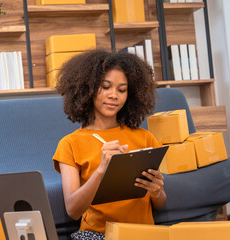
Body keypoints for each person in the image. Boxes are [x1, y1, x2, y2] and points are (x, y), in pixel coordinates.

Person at [52, 49, 166, 240]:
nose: (114, 95)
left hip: (143, 235)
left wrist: (157, 191)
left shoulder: (146, 138)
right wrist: (102, 170)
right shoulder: (69, 144)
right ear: (86, 89)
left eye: (122, 90)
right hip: (97, 235)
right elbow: (73, 210)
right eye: (105, 87)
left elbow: (160, 203)